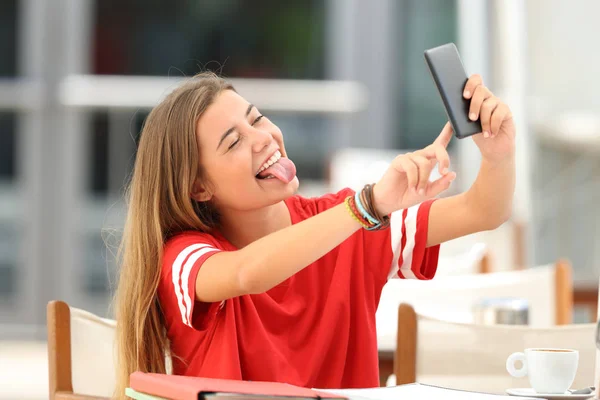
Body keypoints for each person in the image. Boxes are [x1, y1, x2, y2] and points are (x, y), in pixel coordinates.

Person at [114, 72, 515, 397]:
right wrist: (367, 207)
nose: (262, 138)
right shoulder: (184, 257)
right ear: (199, 188)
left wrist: (498, 156)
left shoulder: (347, 222)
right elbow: (246, 273)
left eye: (255, 119)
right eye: (234, 142)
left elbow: (483, 210)